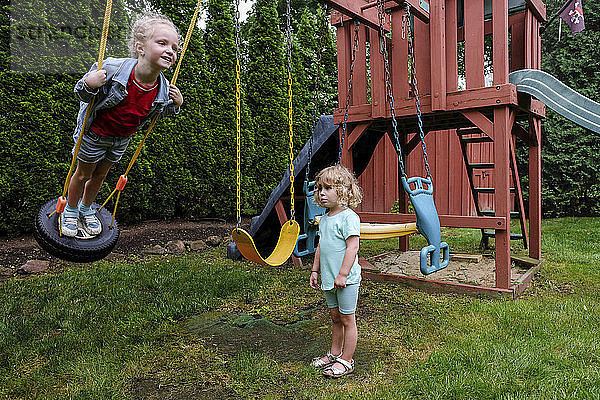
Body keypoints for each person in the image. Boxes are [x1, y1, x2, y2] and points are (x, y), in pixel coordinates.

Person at [61, 12, 183, 237]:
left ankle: (86, 209)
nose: (170, 50)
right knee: (83, 174)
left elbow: (157, 112)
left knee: (100, 175)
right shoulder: (113, 68)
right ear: (140, 47)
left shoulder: (163, 87)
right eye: (162, 43)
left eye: (175, 48)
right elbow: (82, 94)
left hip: (120, 140)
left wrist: (176, 104)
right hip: (94, 134)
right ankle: (70, 209)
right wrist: (90, 83)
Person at [309, 164, 363, 378]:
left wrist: (342, 274)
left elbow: (353, 247)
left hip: (346, 280)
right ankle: (334, 353)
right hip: (329, 278)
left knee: (347, 319)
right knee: (335, 317)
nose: (322, 193)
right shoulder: (325, 218)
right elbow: (321, 246)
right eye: (319, 188)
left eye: (328, 188)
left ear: (342, 190)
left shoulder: (349, 217)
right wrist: (315, 270)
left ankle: (347, 360)